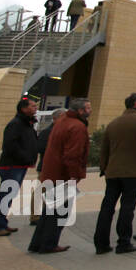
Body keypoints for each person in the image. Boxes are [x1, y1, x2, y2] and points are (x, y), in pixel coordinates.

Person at [94, 92, 136, 254]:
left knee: (107, 207)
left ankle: (101, 243)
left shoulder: (114, 123)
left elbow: (104, 149)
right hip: (134, 172)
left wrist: (105, 167)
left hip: (113, 171)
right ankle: (123, 242)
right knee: (127, 207)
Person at [29, 99, 91, 253]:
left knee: (49, 211)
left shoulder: (62, 122)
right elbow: (73, 155)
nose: (91, 110)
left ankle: (37, 243)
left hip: (51, 172)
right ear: (81, 111)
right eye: (88, 107)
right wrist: (74, 176)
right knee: (60, 212)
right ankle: (49, 244)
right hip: (63, 176)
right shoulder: (77, 127)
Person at [0, 97, 39, 237]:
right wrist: (25, 157)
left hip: (19, 165)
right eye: (32, 106)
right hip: (12, 166)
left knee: (8, 195)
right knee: (5, 195)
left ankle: (1, 223)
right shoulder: (16, 124)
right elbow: (10, 145)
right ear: (23, 108)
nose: (35, 108)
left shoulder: (26, 124)